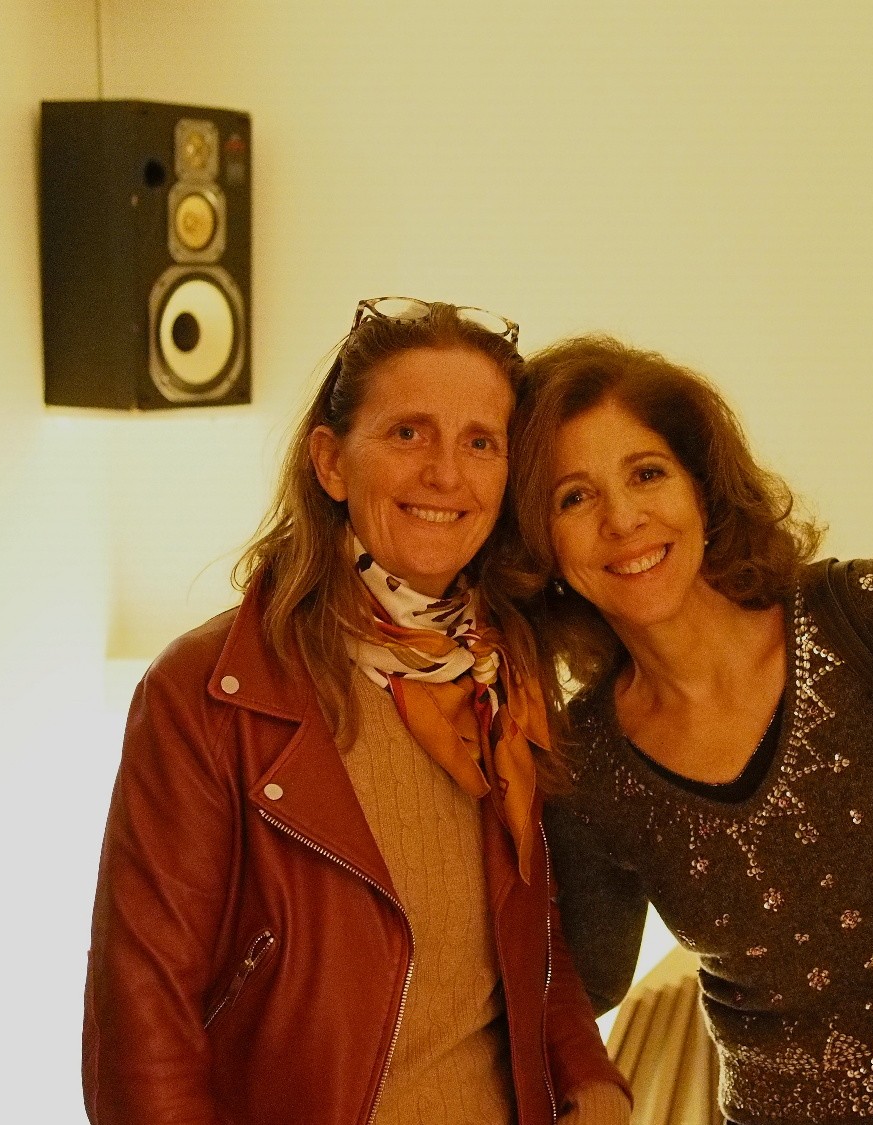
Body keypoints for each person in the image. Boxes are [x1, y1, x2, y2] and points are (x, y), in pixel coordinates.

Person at [82, 299, 630, 1125]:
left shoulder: (503, 676)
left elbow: (531, 945)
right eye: (409, 433)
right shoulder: (207, 690)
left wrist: (592, 1081)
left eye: (480, 442)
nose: (445, 473)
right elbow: (140, 1022)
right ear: (332, 462)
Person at [496, 335, 873, 1125]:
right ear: (539, 543)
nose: (623, 519)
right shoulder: (584, 763)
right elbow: (578, 988)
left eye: (647, 473)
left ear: (702, 485)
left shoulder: (872, 616)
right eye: (573, 498)